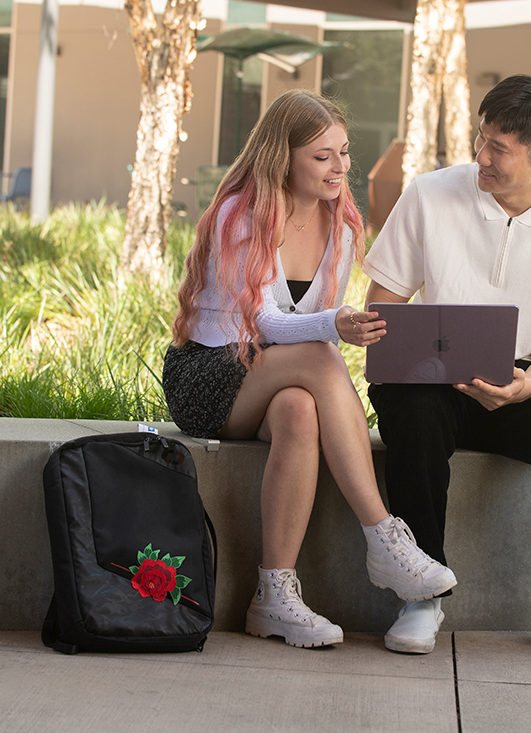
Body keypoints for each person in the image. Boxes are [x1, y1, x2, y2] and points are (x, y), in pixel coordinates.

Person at [162, 90, 457, 650]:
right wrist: (334, 325)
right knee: (321, 354)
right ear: (283, 157)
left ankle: (273, 596)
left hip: (275, 378)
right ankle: (383, 536)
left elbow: (312, 329)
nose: (341, 168)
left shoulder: (341, 226)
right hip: (208, 375)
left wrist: (339, 325)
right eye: (323, 157)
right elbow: (267, 325)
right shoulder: (239, 215)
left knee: (300, 412)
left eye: (344, 153)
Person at [362, 75, 531, 662]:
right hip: (429, 379)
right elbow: (385, 304)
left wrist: (524, 385)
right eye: (481, 140)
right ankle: (421, 597)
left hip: (520, 381)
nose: (480, 157)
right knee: (414, 408)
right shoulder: (431, 194)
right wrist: (387, 341)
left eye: (498, 149)